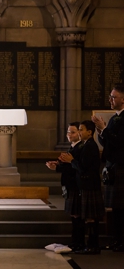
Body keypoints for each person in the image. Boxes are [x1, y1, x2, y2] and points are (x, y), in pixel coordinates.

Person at [59, 120, 104, 254]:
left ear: (89, 132)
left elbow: (84, 168)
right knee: (87, 216)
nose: (79, 132)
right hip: (85, 184)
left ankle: (92, 245)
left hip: (90, 184)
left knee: (90, 217)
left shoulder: (90, 146)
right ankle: (87, 245)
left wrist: (71, 160)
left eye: (81, 130)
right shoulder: (86, 145)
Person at [92, 83, 124, 252]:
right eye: (110, 96)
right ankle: (117, 240)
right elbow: (108, 144)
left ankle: (121, 241)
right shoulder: (114, 118)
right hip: (113, 166)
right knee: (116, 208)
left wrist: (105, 129)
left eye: (114, 97)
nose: (110, 100)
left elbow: (120, 142)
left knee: (121, 207)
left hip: (121, 166)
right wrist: (100, 131)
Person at [45, 122, 83, 252]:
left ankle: (78, 242)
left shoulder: (80, 148)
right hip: (69, 185)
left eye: (73, 132)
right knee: (73, 215)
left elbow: (76, 167)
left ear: (80, 133)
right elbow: (68, 165)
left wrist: (61, 165)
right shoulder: (72, 147)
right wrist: (57, 165)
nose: (69, 135)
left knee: (77, 215)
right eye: (68, 132)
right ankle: (75, 241)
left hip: (75, 185)